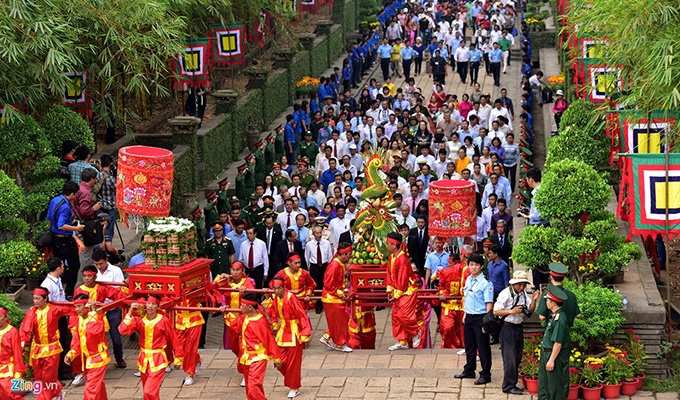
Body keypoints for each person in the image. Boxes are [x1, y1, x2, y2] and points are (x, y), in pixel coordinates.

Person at [20, 287, 76, 400]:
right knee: (39, 377)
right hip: (37, 349)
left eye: (38, 298)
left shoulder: (54, 309)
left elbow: (72, 309)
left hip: (52, 348)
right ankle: (58, 392)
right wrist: (22, 345)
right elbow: (24, 329)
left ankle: (43, 398)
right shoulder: (31, 312)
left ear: (45, 299)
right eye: (34, 298)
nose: (35, 301)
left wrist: (85, 305)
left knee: (48, 377)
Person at [119, 295, 177, 400]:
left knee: (149, 391)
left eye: (153, 304)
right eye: (148, 303)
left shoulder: (163, 321)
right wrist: (130, 311)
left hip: (158, 359)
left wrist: (178, 357)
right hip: (143, 360)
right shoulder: (139, 320)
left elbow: (173, 338)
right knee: (150, 392)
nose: (150, 306)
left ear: (158, 307)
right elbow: (123, 329)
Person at [493, 271, 540, 395]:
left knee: (518, 356)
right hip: (507, 327)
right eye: (519, 284)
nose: (522, 287)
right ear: (514, 283)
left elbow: (530, 310)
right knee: (510, 358)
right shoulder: (505, 294)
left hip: (518, 327)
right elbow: (496, 311)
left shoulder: (523, 294)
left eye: (524, 285)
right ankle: (508, 385)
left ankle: (512, 383)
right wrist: (511, 311)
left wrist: (534, 300)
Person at [266, 276, 312, 399]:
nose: (276, 291)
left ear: (284, 287)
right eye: (274, 289)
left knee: (293, 363)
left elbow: (302, 315)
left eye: (278, 288)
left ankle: (294, 386)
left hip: (294, 333)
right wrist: (274, 324)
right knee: (278, 361)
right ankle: (292, 380)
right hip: (282, 332)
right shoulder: (276, 298)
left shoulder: (291, 298)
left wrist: (305, 332)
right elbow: (274, 313)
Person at [232, 292, 282, 400]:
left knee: (253, 385)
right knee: (252, 386)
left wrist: (277, 358)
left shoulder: (260, 322)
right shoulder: (244, 317)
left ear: (250, 307)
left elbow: (269, 340)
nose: (240, 307)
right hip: (246, 356)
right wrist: (225, 313)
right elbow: (235, 325)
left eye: (242, 305)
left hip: (258, 357)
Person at [454, 253, 494, 385]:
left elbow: (489, 304)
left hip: (480, 318)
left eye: (476, 265)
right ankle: (469, 370)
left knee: (483, 347)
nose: (474, 267)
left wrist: (486, 322)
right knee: (469, 346)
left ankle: (486, 374)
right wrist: (465, 314)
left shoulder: (486, 283)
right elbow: (467, 299)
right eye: (471, 265)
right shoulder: (468, 279)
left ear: (481, 266)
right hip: (469, 316)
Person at [215, 262, 255, 386]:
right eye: (233, 270)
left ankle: (245, 373)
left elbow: (253, 296)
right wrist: (222, 305)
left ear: (242, 271)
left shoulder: (248, 282)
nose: (235, 272)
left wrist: (246, 291)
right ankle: (244, 367)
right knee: (234, 347)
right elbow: (213, 287)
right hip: (231, 320)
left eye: (238, 270)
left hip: (244, 321)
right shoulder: (226, 281)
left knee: (244, 347)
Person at [64, 294, 110, 400]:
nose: (77, 309)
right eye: (75, 307)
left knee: (90, 390)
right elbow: (76, 340)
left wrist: (94, 311)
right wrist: (71, 354)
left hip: (98, 358)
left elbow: (95, 331)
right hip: (88, 360)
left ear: (86, 305)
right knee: (97, 387)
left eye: (79, 306)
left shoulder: (98, 316)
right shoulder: (80, 320)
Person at [385, 232, 422, 350]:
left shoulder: (402, 259)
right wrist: (389, 290)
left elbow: (403, 278)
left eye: (388, 243)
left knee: (403, 315)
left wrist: (396, 294)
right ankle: (402, 341)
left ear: (394, 245)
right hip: (398, 290)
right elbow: (389, 275)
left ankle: (415, 332)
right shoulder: (392, 257)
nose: (386, 246)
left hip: (407, 291)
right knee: (396, 316)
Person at [47, 181, 84, 297]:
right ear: (72, 194)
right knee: (74, 265)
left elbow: (49, 219)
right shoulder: (66, 207)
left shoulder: (55, 200)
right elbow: (61, 225)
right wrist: (76, 228)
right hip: (64, 239)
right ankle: (69, 292)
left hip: (55, 237)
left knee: (57, 264)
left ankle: (56, 289)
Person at [92, 249, 126, 368]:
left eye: (101, 264)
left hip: (113, 308)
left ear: (106, 260)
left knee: (115, 336)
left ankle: (119, 357)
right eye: (96, 264)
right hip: (97, 309)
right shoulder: (93, 271)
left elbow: (118, 290)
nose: (99, 266)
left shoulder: (116, 271)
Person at [538, 286, 571, 400]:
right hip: (546, 353)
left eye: (547, 300)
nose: (546, 302)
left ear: (553, 303)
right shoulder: (554, 316)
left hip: (554, 355)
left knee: (555, 387)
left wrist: (551, 360)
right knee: (544, 385)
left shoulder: (560, 319)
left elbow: (558, 342)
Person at [319, 242, 353, 352]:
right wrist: (340, 293)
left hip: (335, 296)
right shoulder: (334, 265)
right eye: (349, 254)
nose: (350, 256)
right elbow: (328, 284)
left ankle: (328, 337)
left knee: (341, 320)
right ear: (343, 254)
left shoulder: (340, 263)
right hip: (332, 298)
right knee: (339, 321)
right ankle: (340, 344)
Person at [437, 254, 469, 349]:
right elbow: (441, 286)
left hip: (461, 305)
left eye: (451, 263)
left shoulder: (466, 271)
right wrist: (441, 293)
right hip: (448, 305)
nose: (449, 265)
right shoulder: (445, 273)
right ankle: (450, 345)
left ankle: (463, 346)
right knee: (447, 327)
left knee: (462, 330)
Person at [535, 262, 581, 328]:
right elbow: (578, 315)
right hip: (567, 332)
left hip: (552, 331)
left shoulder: (547, 294)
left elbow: (542, 317)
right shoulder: (571, 295)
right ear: (564, 278)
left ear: (551, 277)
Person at [305, 226, 333, 314]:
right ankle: (317, 305)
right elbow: (307, 257)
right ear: (313, 234)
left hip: (324, 266)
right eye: (317, 233)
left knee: (324, 285)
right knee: (316, 285)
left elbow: (329, 256)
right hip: (314, 267)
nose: (319, 235)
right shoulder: (309, 244)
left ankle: (324, 303)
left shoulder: (326, 243)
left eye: (320, 233)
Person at [0, 305, 26, 400]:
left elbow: (17, 353)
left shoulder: (12, 332)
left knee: (8, 394)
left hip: (7, 369)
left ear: (6, 317)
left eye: (0, 316)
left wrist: (18, 374)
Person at [94, 154, 118, 254]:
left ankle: (102, 246)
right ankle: (109, 247)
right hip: (110, 207)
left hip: (99, 206)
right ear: (110, 165)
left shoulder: (96, 175)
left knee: (101, 227)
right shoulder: (110, 179)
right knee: (109, 229)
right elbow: (118, 190)